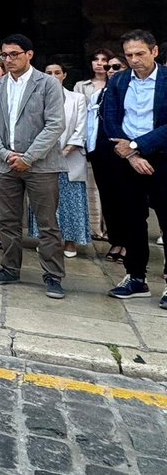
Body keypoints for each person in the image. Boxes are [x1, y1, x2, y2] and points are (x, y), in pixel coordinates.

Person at [0, 34, 68, 300]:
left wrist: (28, 157)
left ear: (29, 55)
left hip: (41, 165)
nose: (8, 59)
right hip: (4, 164)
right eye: (5, 55)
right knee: (7, 221)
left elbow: (55, 124)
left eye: (14, 54)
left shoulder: (47, 84)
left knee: (47, 223)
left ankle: (53, 275)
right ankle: (9, 268)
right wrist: (4, 153)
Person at [100, 30, 167, 308]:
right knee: (131, 220)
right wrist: (129, 154)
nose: (134, 60)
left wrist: (138, 145)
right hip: (127, 160)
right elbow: (110, 117)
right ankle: (135, 277)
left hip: (161, 157)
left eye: (140, 53)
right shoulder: (119, 81)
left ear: (154, 52)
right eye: (129, 55)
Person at [35, 63, 90, 258]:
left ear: (64, 75)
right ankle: (48, 240)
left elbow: (81, 129)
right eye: (48, 72)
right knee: (45, 201)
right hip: (42, 157)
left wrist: (64, 151)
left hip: (69, 158)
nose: (52, 75)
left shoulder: (77, 99)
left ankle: (70, 242)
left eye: (57, 72)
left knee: (70, 201)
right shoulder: (37, 96)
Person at [88, 55, 127, 263]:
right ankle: (116, 240)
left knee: (126, 200)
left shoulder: (131, 92)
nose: (110, 70)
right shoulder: (99, 94)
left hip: (124, 153)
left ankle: (128, 243)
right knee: (109, 198)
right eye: (108, 67)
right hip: (101, 152)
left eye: (116, 66)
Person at [74, 48, 114, 242]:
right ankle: (94, 228)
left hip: (110, 139)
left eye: (104, 59)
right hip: (88, 140)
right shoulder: (82, 86)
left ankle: (111, 230)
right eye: (96, 59)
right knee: (92, 187)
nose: (99, 63)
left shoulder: (116, 83)